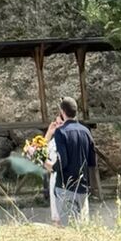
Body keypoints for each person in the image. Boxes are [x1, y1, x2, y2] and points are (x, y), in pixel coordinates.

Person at [49, 95, 96, 225]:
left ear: (62, 112)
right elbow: (92, 161)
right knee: (82, 225)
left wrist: (52, 167)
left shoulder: (61, 132)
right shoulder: (86, 131)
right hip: (83, 186)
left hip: (66, 186)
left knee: (67, 226)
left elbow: (62, 161)